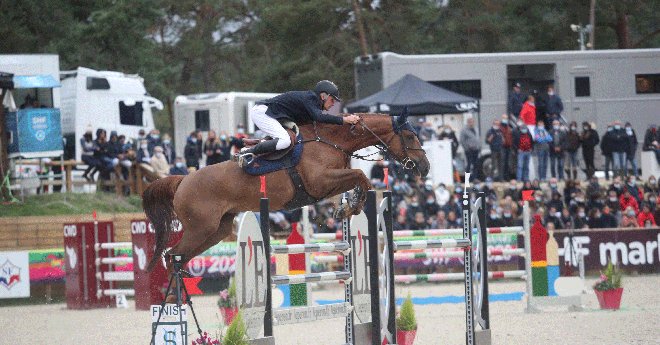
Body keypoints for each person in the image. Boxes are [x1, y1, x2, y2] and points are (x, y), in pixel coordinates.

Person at [232, 80, 359, 167]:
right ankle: (247, 153)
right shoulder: (311, 98)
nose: (333, 104)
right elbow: (320, 118)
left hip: (272, 114)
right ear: (323, 96)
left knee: (289, 138)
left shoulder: (313, 102)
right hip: (263, 113)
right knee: (285, 141)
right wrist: (344, 120)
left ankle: (259, 147)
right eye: (332, 100)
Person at [500, 114, 514, 180]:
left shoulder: (508, 126)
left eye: (506, 118)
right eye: (504, 118)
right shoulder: (499, 127)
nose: (505, 120)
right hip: (502, 147)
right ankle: (502, 177)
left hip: (508, 147)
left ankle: (507, 177)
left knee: (508, 163)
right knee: (502, 163)